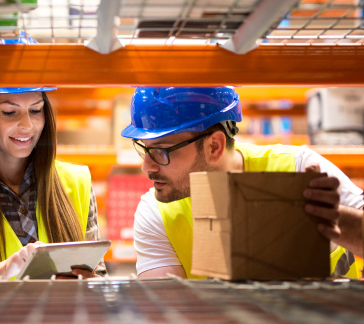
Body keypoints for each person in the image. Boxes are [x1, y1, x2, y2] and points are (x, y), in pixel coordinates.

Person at [121, 87, 363, 279]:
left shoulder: (300, 168)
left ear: (213, 146)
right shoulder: (155, 212)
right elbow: (165, 312)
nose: (147, 167)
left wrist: (337, 219)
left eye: (162, 152)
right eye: (144, 150)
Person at [0, 87, 105, 280]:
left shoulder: (78, 181)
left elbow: (99, 279)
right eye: (10, 112)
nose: (27, 125)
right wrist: (3, 272)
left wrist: (92, 284)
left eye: (36, 110)